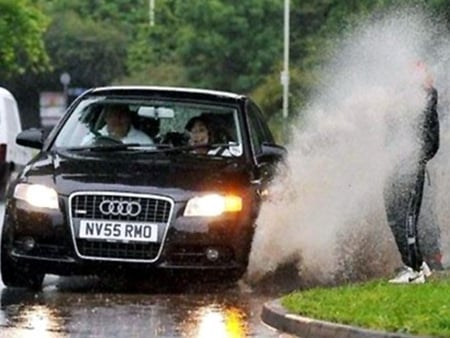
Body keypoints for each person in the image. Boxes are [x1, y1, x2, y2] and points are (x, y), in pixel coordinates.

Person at [384, 62, 440, 284]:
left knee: (406, 217)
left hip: (411, 166)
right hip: (400, 166)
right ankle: (417, 264)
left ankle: (414, 269)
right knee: (395, 214)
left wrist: (416, 160)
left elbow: (429, 142)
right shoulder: (407, 101)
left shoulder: (424, 100)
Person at [82, 104, 153, 145]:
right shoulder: (91, 139)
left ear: (128, 118)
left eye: (121, 116)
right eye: (113, 115)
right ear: (106, 118)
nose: (117, 120)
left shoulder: (144, 141)